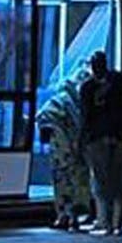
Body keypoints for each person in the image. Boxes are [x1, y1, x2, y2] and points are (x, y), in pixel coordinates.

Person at [78, 50, 122, 235]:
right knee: (119, 180)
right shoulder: (121, 81)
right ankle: (116, 222)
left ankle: (103, 220)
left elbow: (86, 115)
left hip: (98, 138)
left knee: (101, 181)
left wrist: (82, 138)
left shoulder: (87, 87)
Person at [36, 80, 90, 230]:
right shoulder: (77, 103)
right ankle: (74, 217)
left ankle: (63, 216)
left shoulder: (59, 101)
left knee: (62, 184)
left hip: (62, 153)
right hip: (75, 153)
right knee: (76, 184)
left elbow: (43, 117)